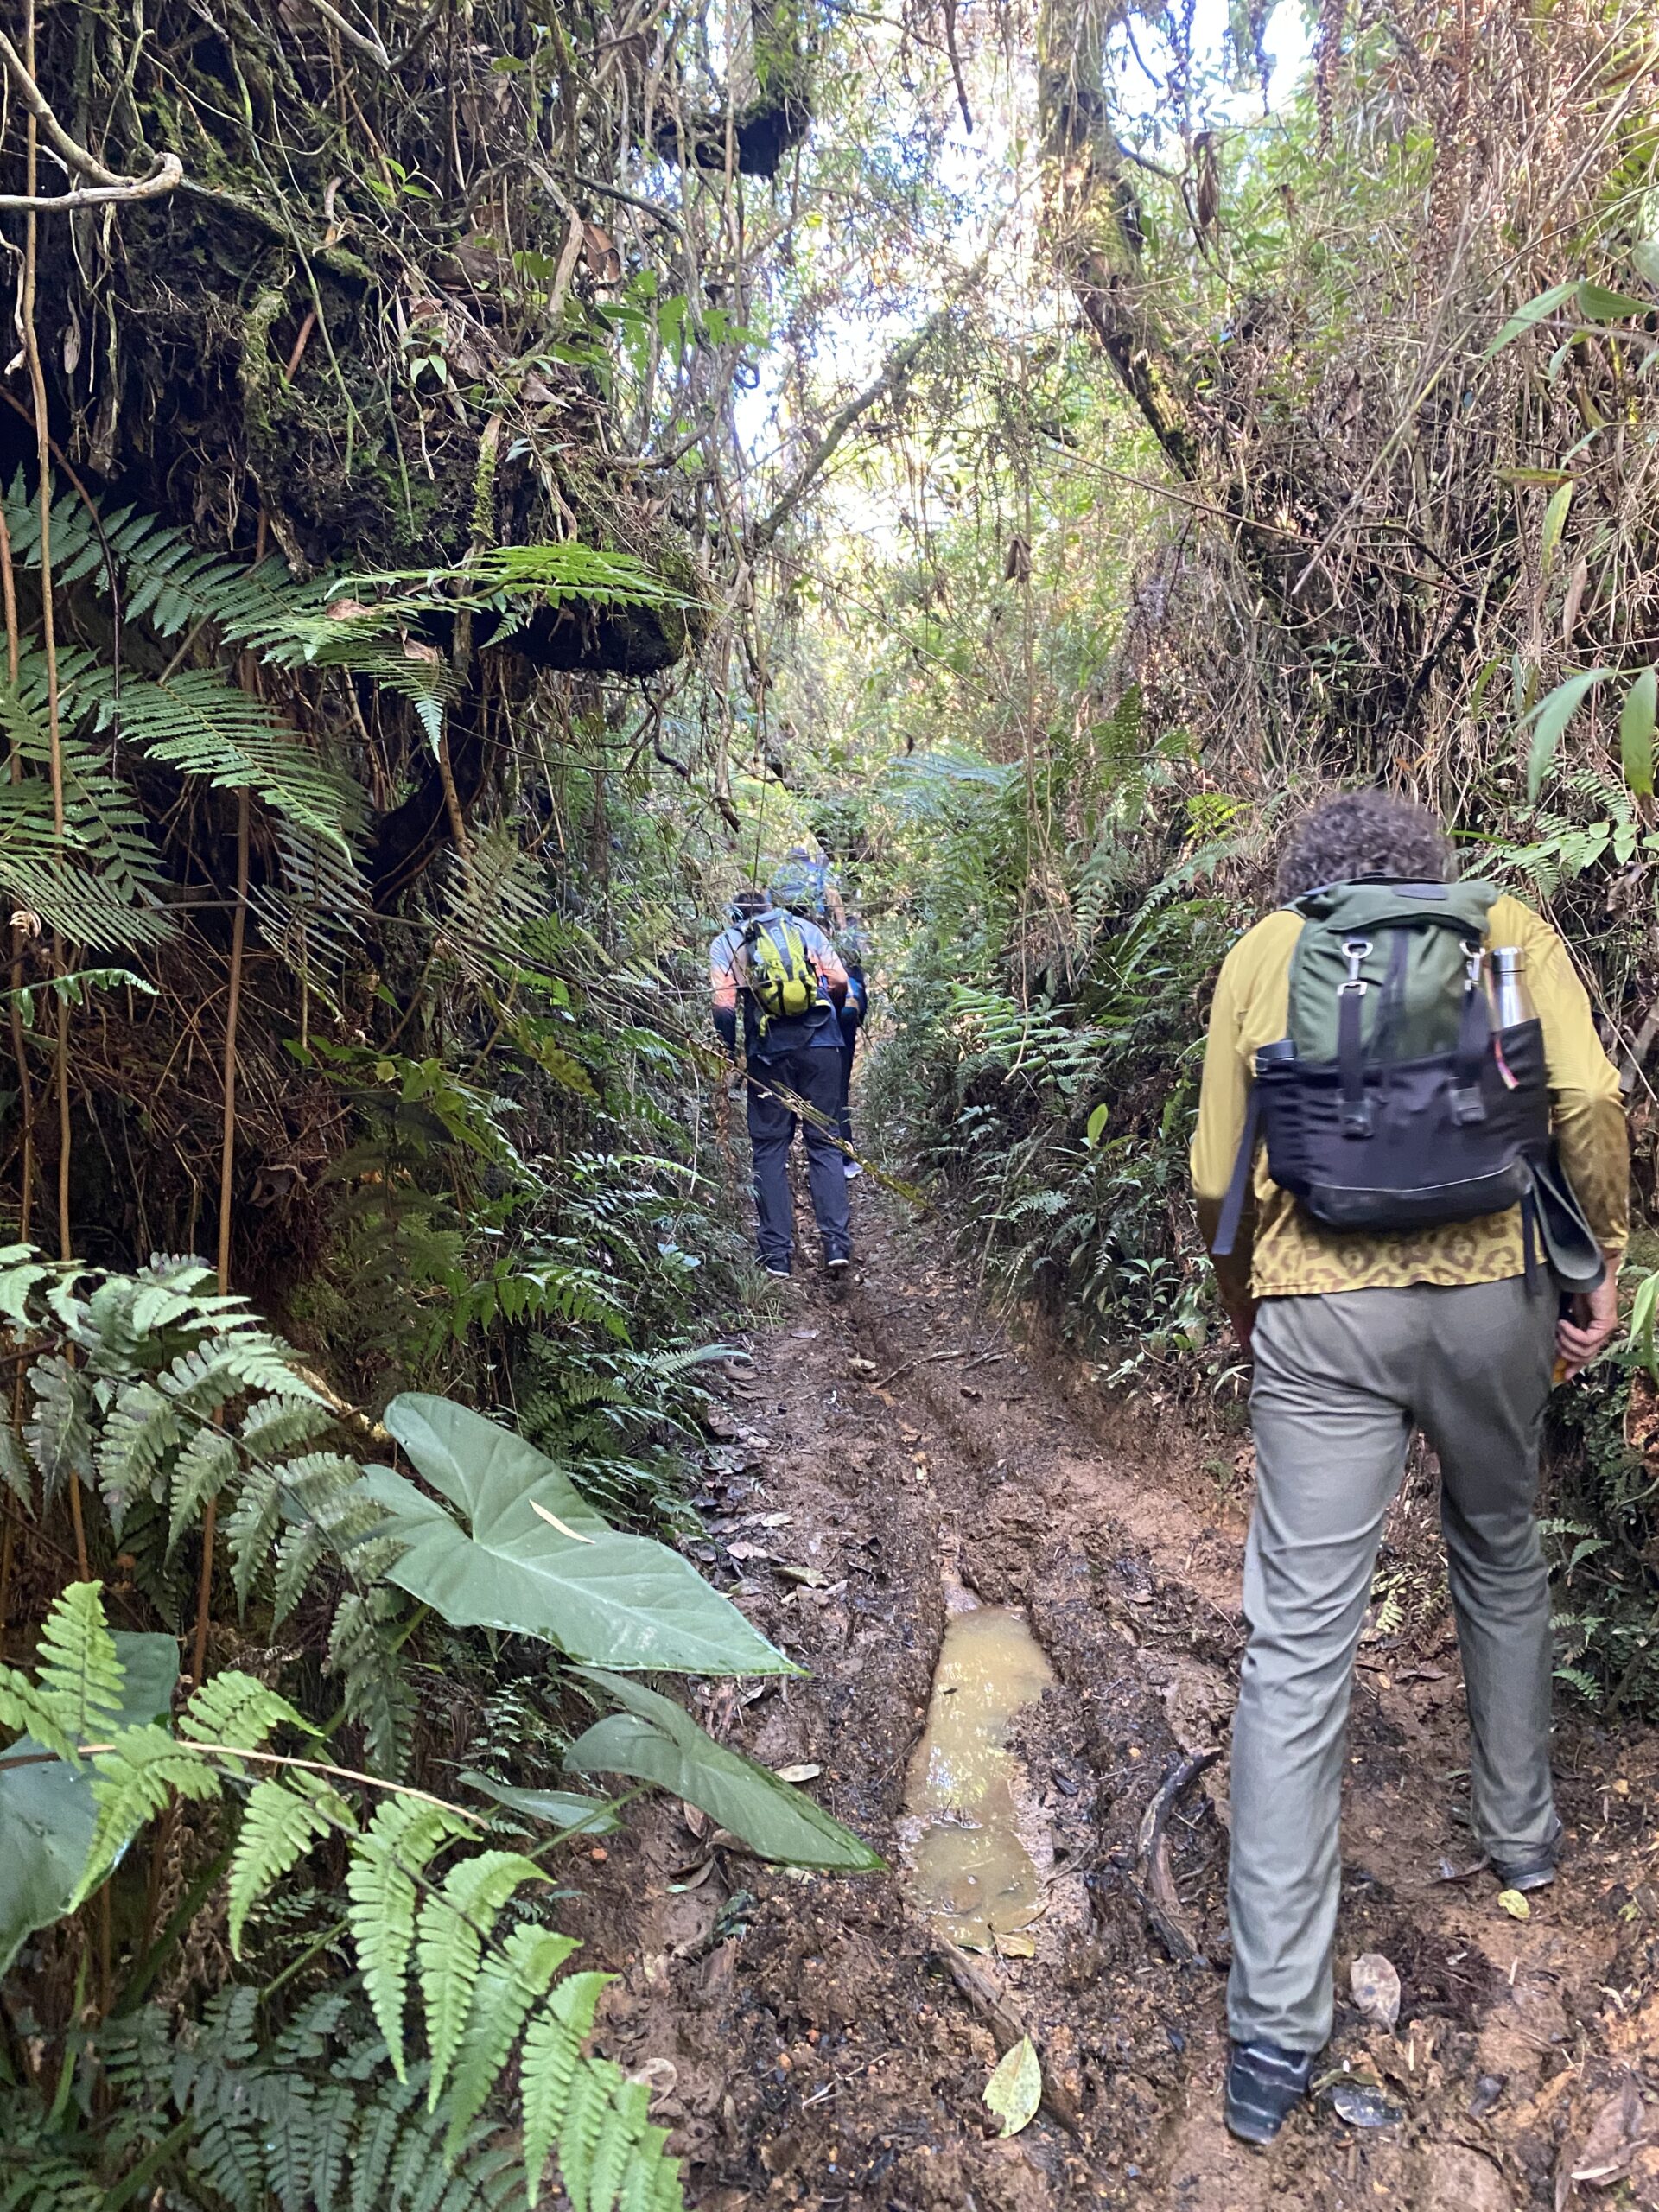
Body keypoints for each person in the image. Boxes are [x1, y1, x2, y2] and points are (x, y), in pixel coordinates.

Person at [1190, 791, 1627, 2146]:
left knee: (1301, 1645)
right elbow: (1592, 1099)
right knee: (1499, 1553)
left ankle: (1272, 2032)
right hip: (1495, 1288)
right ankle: (1523, 1840)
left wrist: (1243, 1304)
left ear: (1309, 877)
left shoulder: (1269, 948)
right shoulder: (1506, 925)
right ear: (1429, 873)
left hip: (1322, 1308)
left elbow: (1219, 1164)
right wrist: (1601, 1257)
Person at [710, 887, 854, 1279]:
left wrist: (729, 1051)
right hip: (822, 1045)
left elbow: (724, 1007)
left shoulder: (728, 943)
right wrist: (830, 1017)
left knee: (770, 1148)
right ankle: (836, 1244)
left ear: (734, 914)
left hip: (768, 1054)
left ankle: (776, 1255)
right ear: (773, 909)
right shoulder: (805, 929)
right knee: (825, 1142)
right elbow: (840, 981)